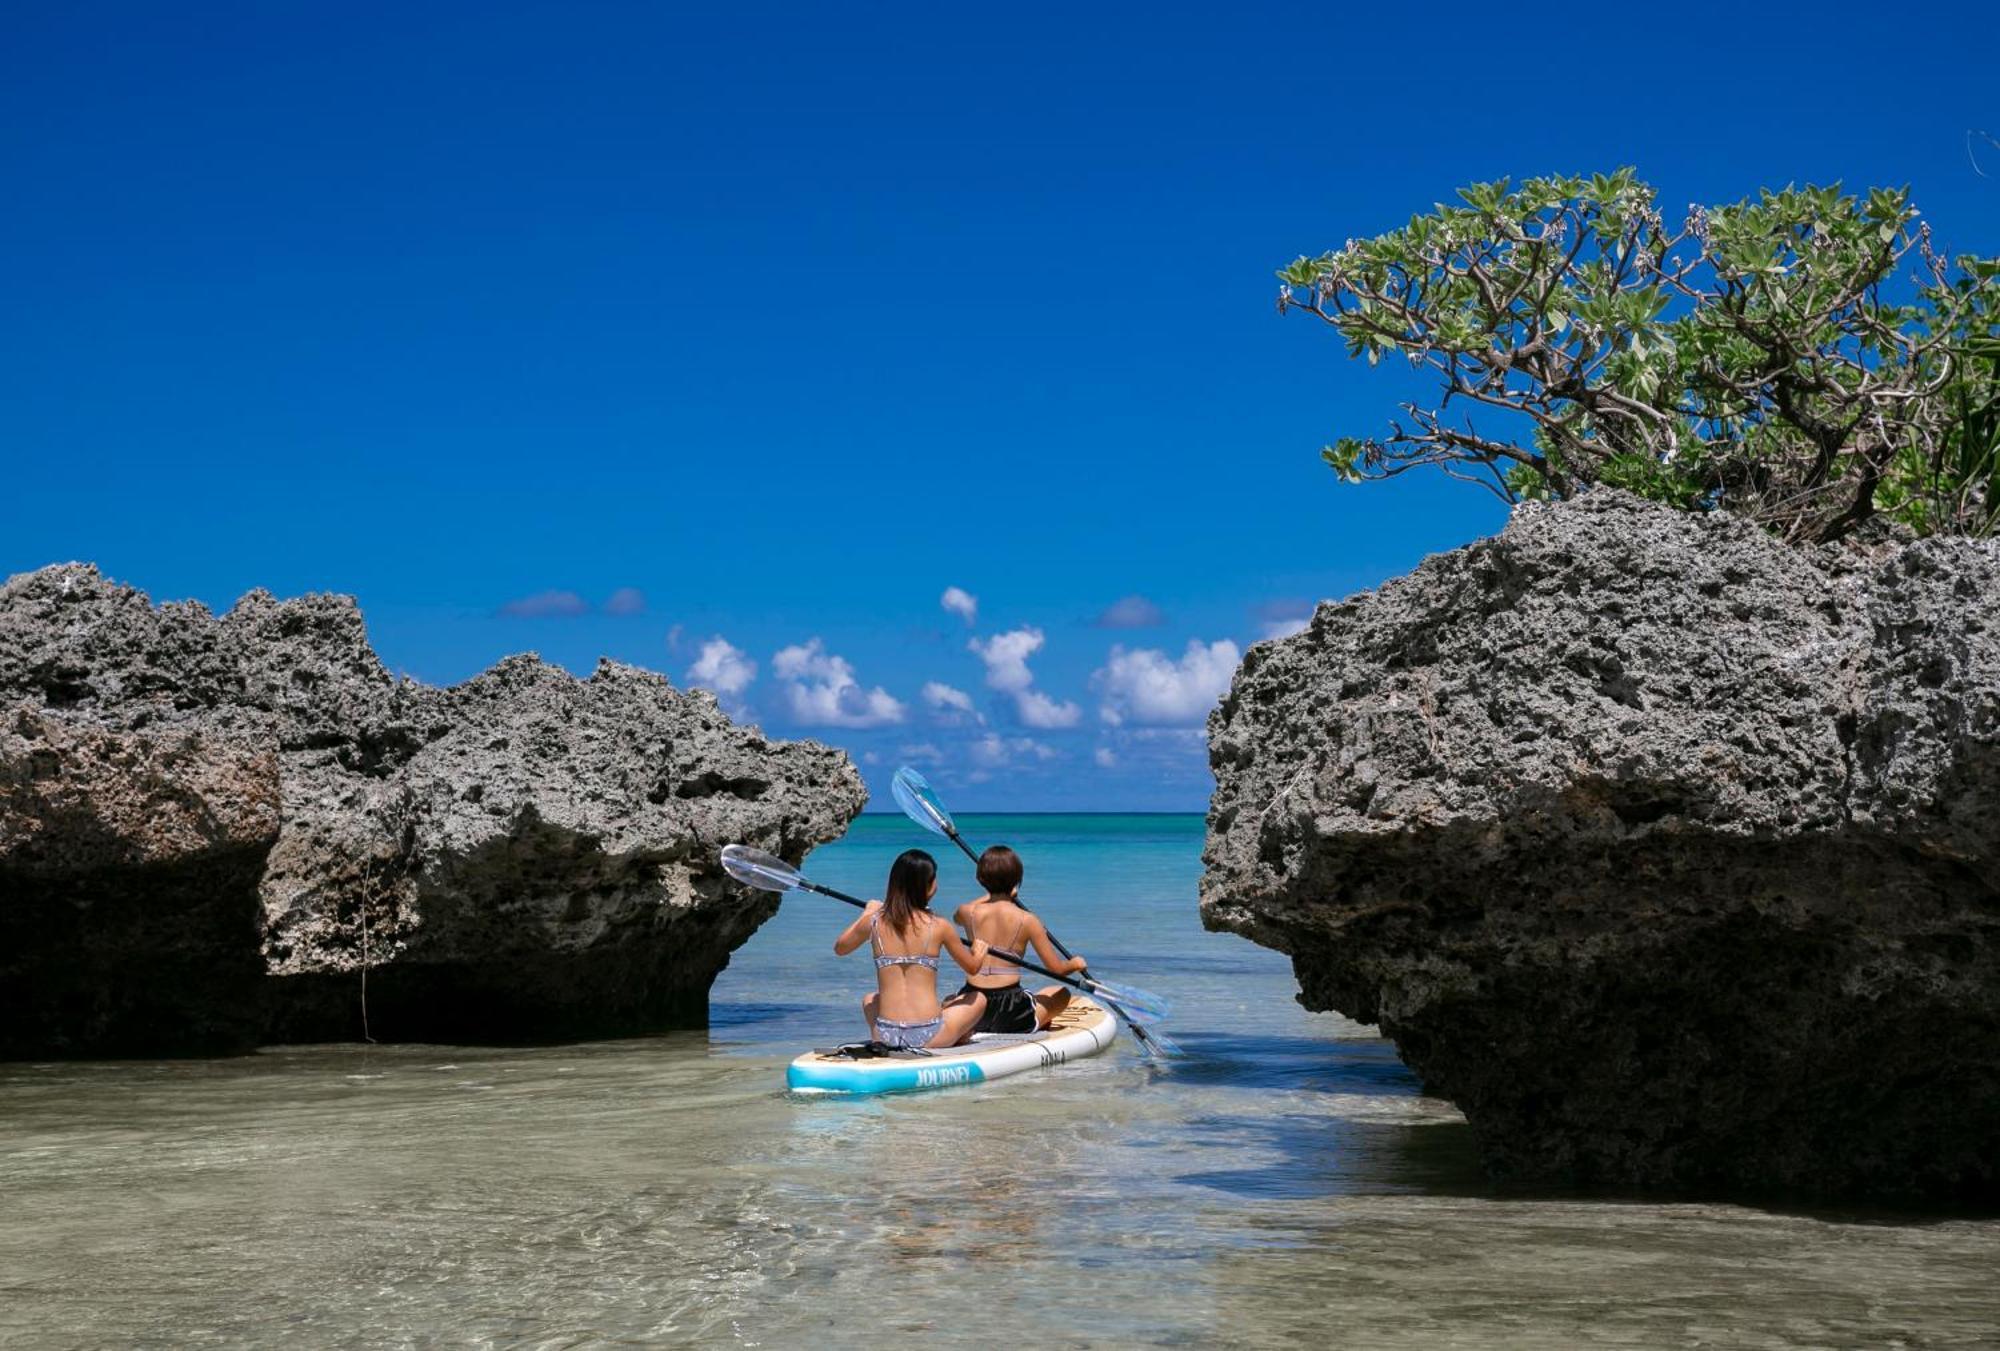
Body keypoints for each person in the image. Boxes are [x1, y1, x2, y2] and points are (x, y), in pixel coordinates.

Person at [832, 848, 989, 1049]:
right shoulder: (939, 926)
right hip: (930, 1035)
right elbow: (973, 968)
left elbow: (840, 948)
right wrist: (979, 949)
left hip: (887, 1034)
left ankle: (879, 1039)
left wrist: (868, 912)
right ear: (928, 886)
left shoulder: (873, 923)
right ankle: (958, 1035)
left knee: (870, 999)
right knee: (978, 998)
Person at [947, 844, 1085, 1040]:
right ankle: (1039, 1021)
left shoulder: (967, 912)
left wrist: (989, 894)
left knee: (950, 999)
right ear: (1017, 882)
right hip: (1011, 1010)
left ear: (980, 879)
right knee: (1061, 993)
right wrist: (1076, 964)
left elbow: (957, 917)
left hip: (974, 1007)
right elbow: (1056, 969)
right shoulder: (1029, 920)